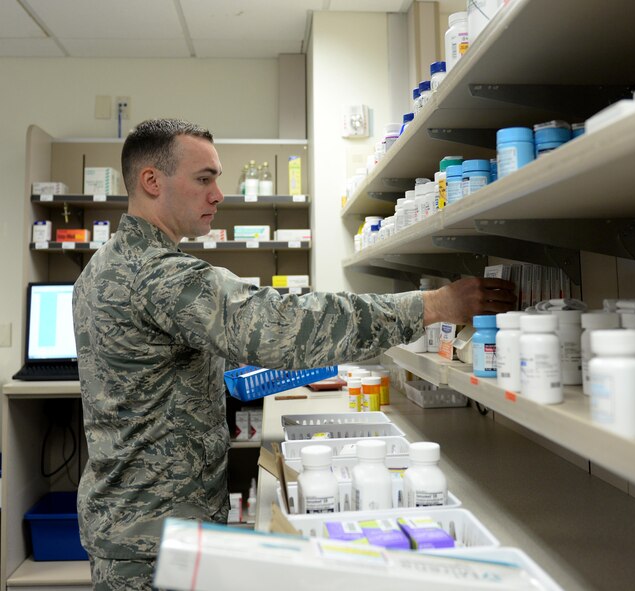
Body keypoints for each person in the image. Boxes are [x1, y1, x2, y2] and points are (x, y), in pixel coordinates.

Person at [72, 118, 515, 590]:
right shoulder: (158, 275)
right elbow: (286, 324)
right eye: (204, 179)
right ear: (151, 181)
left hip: (132, 521)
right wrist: (433, 306)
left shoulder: (105, 265)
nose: (218, 194)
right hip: (152, 541)